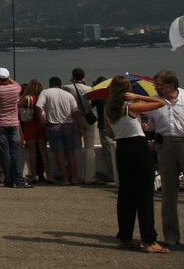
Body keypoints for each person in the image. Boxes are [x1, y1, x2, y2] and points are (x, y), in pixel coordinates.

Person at [106, 75, 169, 253]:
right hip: (138, 148)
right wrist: (140, 98)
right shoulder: (131, 106)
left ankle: (125, 236)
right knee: (144, 195)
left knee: (126, 194)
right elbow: (161, 103)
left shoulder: (110, 109)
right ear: (128, 90)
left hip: (122, 148)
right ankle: (149, 240)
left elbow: (110, 132)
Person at [149, 70, 184, 247]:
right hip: (165, 144)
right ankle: (171, 235)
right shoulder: (154, 102)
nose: (156, 88)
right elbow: (152, 126)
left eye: (160, 85)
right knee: (168, 191)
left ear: (171, 85)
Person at [36, 76, 83, 184]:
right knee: (70, 152)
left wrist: (42, 120)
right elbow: (76, 112)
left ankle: (65, 178)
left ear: (50, 83)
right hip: (68, 125)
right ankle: (74, 178)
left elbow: (39, 106)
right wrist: (80, 126)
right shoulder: (68, 95)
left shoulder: (46, 93)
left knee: (59, 153)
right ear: (60, 84)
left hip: (53, 125)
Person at [66, 68, 98, 184]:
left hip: (75, 118)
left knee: (77, 148)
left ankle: (79, 176)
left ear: (73, 76)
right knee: (90, 148)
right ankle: (90, 177)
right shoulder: (89, 89)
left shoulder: (68, 88)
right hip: (88, 117)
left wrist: (71, 82)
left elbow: (65, 88)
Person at [19, 78, 49, 184]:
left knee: (32, 152)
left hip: (30, 126)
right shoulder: (42, 97)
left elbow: (16, 107)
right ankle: (47, 174)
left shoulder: (27, 99)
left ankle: (34, 175)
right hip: (40, 125)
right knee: (43, 151)